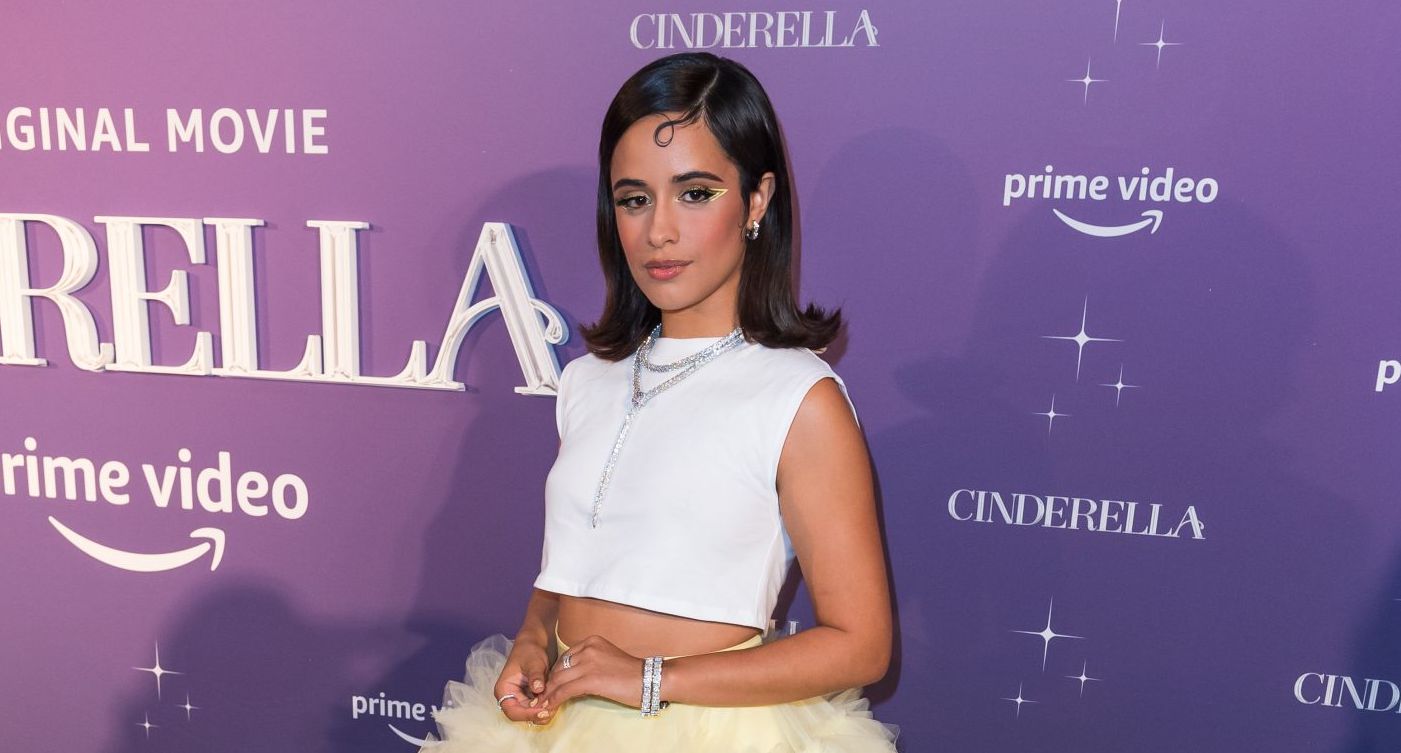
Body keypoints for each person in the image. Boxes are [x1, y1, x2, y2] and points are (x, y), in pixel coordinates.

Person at [423, 52, 900, 752]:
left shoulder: (798, 397)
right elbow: (576, 561)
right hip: (558, 724)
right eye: (634, 199)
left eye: (695, 193)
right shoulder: (587, 380)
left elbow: (860, 646)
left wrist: (650, 678)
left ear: (757, 201)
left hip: (710, 731)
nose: (659, 232)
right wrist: (533, 635)